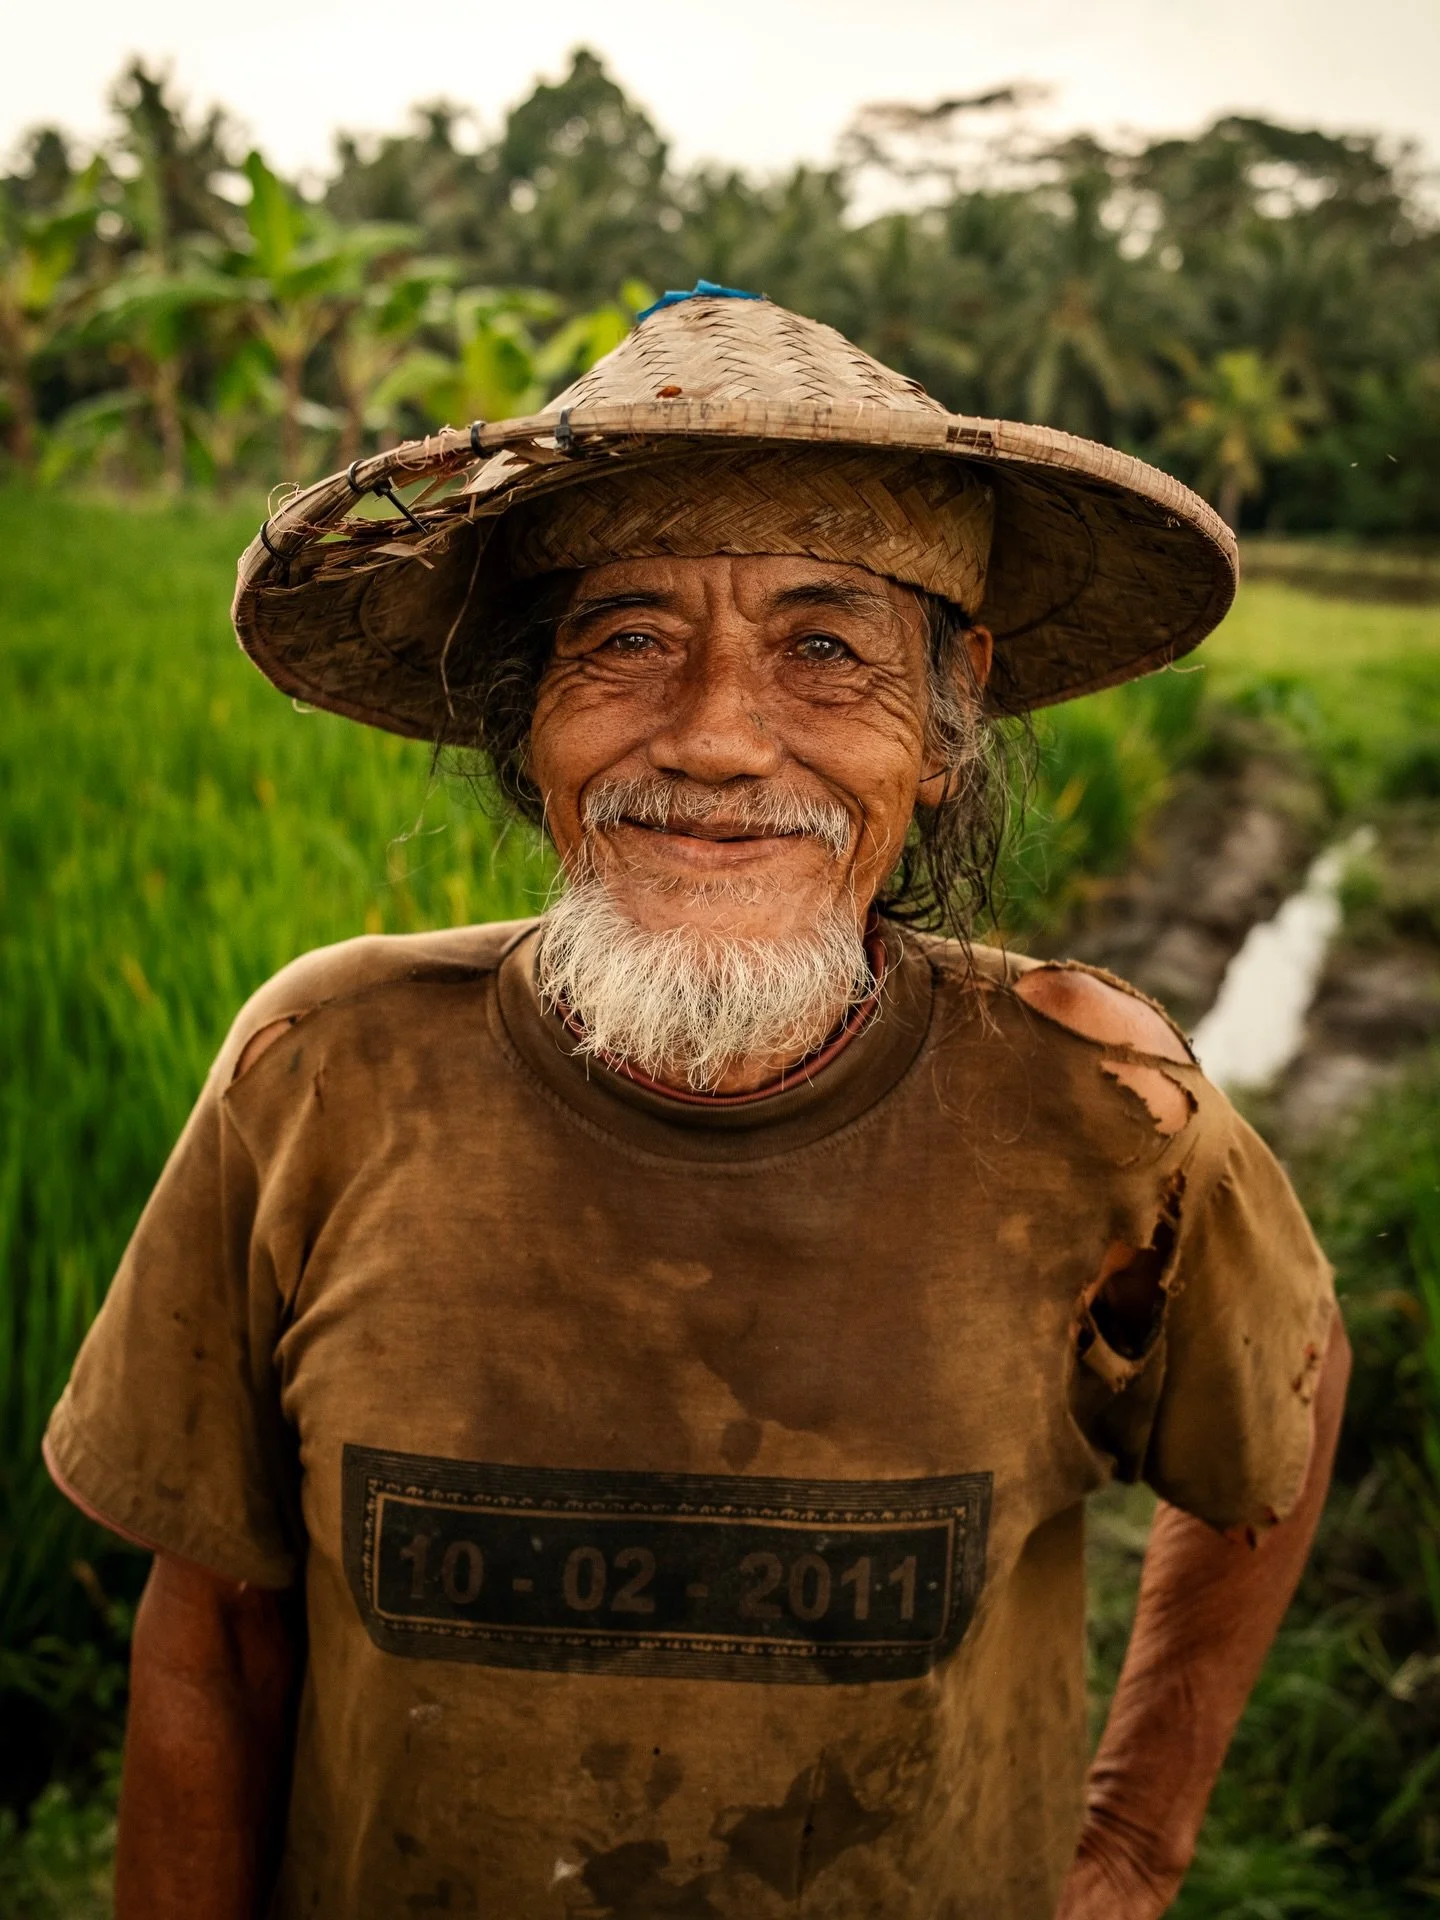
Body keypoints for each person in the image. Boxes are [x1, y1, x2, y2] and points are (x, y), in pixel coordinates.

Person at [45, 287, 1347, 1920]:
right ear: (533, 719)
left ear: (948, 723)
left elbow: (1284, 1402)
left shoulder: (1104, 1112)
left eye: (826, 648)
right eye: (627, 638)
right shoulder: (323, 1074)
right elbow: (215, 1633)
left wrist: (1138, 1840)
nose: (720, 736)